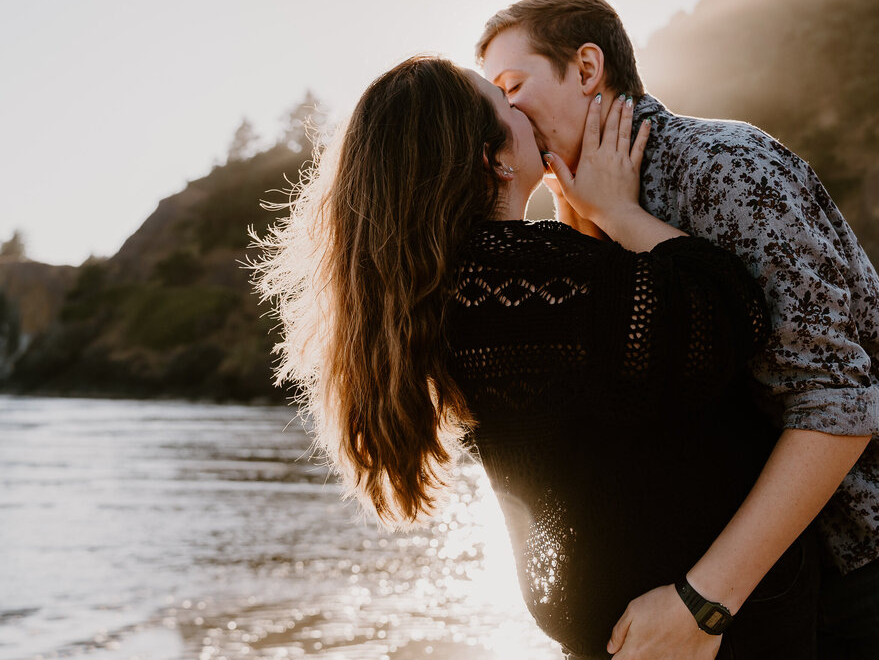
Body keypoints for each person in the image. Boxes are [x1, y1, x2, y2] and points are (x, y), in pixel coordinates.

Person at [477, 0, 879, 659]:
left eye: (513, 87)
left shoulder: (725, 169)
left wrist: (702, 604)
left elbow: (839, 407)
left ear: (587, 69)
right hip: (785, 567)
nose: (507, 118)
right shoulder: (578, 217)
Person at [251, 55, 818, 659]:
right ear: (493, 159)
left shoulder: (433, 300)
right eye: (504, 105)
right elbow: (734, 313)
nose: (521, 110)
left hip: (600, 624)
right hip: (692, 625)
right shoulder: (539, 277)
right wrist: (618, 210)